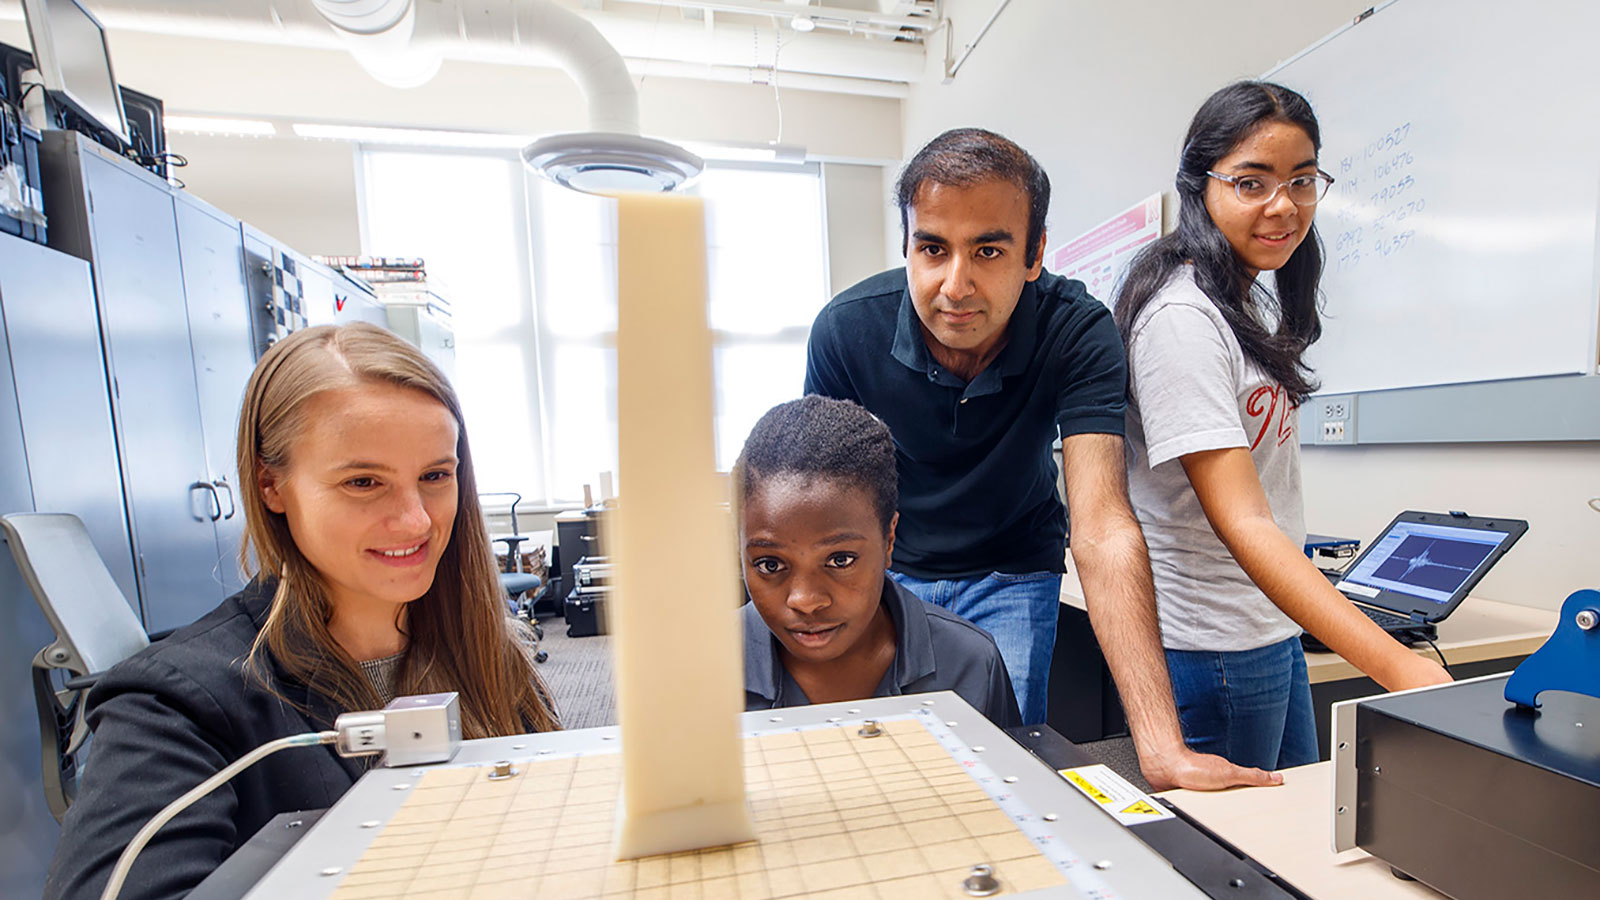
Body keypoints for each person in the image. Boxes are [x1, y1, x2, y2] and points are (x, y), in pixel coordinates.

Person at [806, 128, 1271, 790]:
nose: (954, 285)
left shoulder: (1075, 330)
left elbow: (1103, 526)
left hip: (1013, 569)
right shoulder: (847, 329)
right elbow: (824, 503)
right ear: (907, 244)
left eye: (988, 249)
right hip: (895, 570)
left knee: (1001, 767)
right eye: (932, 249)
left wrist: (1162, 748)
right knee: (884, 758)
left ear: (1034, 254)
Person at [44, 323, 560, 900]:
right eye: (364, 482)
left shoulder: (487, 650)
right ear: (271, 486)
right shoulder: (177, 703)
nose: (416, 520)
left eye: (435, 476)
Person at [1115, 81, 1450, 771]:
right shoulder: (1183, 321)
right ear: (1199, 186)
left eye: (1303, 180)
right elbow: (1246, 523)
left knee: (1295, 830)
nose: (1284, 205)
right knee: (1244, 862)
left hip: (1266, 628)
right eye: (1252, 182)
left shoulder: (1238, 304)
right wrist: (1399, 667)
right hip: (1215, 645)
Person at [735, 395, 1021, 727]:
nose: (806, 601)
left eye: (840, 560)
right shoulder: (696, 670)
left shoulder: (969, 662)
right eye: (770, 564)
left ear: (888, 541)